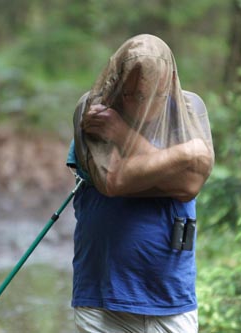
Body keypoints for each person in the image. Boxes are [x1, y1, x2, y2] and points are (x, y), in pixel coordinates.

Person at [66, 34, 215, 333]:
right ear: (117, 79)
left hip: (170, 296)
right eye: (132, 95)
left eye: (153, 96)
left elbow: (190, 184)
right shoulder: (93, 109)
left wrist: (121, 136)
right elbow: (113, 180)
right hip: (102, 296)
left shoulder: (189, 110)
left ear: (169, 80)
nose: (141, 106)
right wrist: (185, 153)